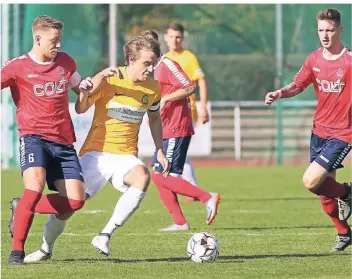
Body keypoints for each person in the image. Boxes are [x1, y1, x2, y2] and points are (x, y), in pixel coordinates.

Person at [23, 35, 170, 262]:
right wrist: (97, 79)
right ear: (131, 59)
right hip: (96, 154)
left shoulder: (153, 88)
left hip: (126, 155)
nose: (150, 69)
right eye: (146, 63)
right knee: (68, 208)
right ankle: (45, 248)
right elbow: (81, 107)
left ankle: (104, 234)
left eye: (154, 64)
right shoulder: (111, 79)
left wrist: (159, 149)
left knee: (142, 177)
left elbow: (155, 119)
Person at [1, 15, 86, 265]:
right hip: (33, 137)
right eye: (54, 40)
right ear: (38, 38)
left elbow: (79, 88)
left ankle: (22, 206)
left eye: (60, 40)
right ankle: (16, 251)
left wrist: (87, 87)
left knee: (75, 202)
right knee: (34, 187)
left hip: (63, 142)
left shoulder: (65, 62)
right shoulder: (17, 67)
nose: (58, 45)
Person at [264, 8, 351, 252]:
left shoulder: (349, 61)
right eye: (321, 30)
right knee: (325, 193)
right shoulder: (314, 59)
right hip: (319, 131)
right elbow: (299, 85)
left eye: (330, 30)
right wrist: (279, 93)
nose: (325, 35)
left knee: (311, 181)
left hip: (342, 133)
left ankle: (347, 192)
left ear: (340, 30)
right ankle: (344, 232)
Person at [141, 30, 220, 231]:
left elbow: (188, 86)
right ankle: (180, 222)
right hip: (166, 128)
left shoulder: (167, 64)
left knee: (161, 176)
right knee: (160, 177)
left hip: (176, 126)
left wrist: (165, 99)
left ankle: (206, 197)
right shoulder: (149, 70)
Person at [164, 23, 210, 202]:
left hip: (184, 112)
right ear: (166, 37)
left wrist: (203, 106)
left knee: (176, 151)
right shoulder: (165, 58)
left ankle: (189, 188)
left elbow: (201, 82)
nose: (175, 40)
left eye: (178, 37)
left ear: (182, 38)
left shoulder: (188, 57)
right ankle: (190, 187)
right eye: (172, 36)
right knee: (177, 152)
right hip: (168, 114)